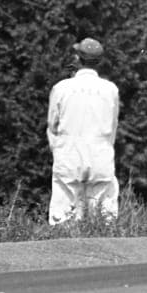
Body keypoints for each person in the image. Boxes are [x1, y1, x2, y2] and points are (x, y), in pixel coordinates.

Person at [47, 37, 120, 225]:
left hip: (69, 156)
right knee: (105, 223)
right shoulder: (110, 90)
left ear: (77, 59)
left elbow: (52, 127)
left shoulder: (61, 88)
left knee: (63, 222)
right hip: (100, 157)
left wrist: (58, 152)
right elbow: (112, 128)